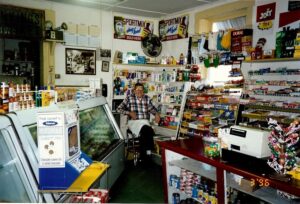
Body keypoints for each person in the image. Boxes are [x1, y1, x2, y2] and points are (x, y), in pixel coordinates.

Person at [117, 83, 160, 165]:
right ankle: (147, 154)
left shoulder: (147, 98)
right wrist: (129, 112)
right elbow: (119, 109)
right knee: (148, 130)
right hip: (133, 123)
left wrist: (157, 114)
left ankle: (144, 156)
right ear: (134, 90)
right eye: (137, 89)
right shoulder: (129, 98)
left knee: (145, 131)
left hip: (144, 122)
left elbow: (152, 109)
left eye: (141, 89)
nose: (139, 91)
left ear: (143, 91)